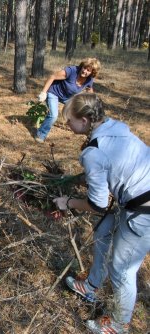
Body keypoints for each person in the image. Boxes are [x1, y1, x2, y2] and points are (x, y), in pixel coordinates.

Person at [52, 93, 150, 334]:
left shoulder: (93, 152)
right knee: (103, 231)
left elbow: (96, 204)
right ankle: (92, 286)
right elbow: (113, 168)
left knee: (123, 269)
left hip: (144, 208)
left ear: (84, 121)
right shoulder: (113, 127)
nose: (66, 124)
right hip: (137, 195)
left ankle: (118, 325)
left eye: (69, 120)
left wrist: (69, 202)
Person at [35, 58, 101, 143]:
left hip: (67, 97)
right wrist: (43, 92)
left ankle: (87, 133)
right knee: (54, 115)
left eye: (88, 70)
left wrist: (92, 103)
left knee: (82, 112)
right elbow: (52, 77)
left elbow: (90, 91)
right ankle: (41, 134)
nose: (84, 71)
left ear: (92, 73)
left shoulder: (89, 80)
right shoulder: (72, 71)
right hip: (54, 93)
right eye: (84, 68)